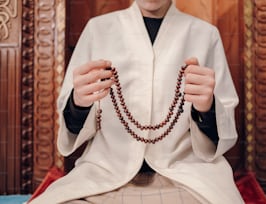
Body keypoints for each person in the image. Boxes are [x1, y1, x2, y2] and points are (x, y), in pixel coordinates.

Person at [29, 0, 244, 203]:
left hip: (185, 178)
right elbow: (71, 127)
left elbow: (224, 131)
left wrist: (207, 108)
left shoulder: (205, 35)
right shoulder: (98, 30)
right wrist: (78, 103)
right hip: (103, 178)